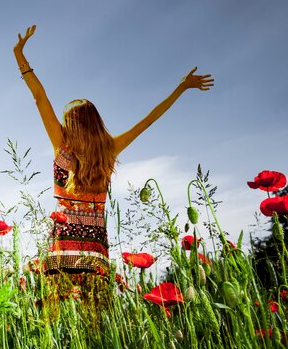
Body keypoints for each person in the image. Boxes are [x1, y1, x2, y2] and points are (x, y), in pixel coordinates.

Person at [13, 24, 214, 312]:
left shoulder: (62, 146)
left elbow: (40, 97)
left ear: (70, 124)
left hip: (62, 242)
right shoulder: (109, 149)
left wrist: (19, 55)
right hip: (95, 243)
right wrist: (181, 87)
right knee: (95, 317)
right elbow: (149, 120)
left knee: (53, 318)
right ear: (96, 122)